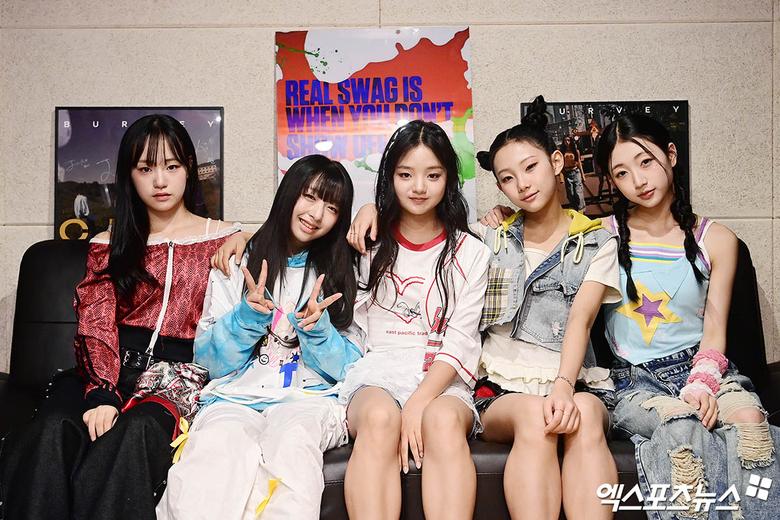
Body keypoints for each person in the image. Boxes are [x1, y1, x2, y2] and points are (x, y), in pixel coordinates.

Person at [0, 114, 240, 520]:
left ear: (188, 169)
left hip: (178, 377)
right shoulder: (108, 244)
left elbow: (281, 250)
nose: (160, 181)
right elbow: (96, 322)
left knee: (134, 434)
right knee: (52, 431)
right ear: (130, 175)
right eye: (145, 169)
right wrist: (102, 393)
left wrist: (247, 238)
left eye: (171, 166)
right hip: (106, 367)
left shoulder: (224, 237)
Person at [596, 113, 780, 518]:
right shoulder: (600, 235)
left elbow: (715, 329)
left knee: (750, 422)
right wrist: (501, 216)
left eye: (646, 162)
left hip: (704, 370)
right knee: (682, 428)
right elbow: (539, 232)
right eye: (622, 173)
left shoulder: (716, 239)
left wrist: (702, 384)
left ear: (671, 155)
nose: (638, 180)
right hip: (635, 382)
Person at [156, 154, 359, 520]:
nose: (316, 214)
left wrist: (319, 331)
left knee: (293, 450)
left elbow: (350, 370)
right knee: (214, 452)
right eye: (309, 197)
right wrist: (246, 318)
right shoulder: (236, 261)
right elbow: (209, 363)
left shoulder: (343, 271)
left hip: (309, 399)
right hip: (235, 397)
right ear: (289, 193)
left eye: (331, 208)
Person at [467, 95, 619, 519]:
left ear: (555, 162)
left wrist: (564, 388)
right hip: (500, 387)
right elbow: (424, 227)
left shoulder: (596, 242)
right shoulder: (491, 236)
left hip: (573, 379)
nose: (523, 184)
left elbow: (581, 321)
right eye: (508, 178)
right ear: (501, 188)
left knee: (585, 415)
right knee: (536, 417)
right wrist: (370, 211)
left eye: (530, 167)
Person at [342, 120, 490, 519]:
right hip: (378, 371)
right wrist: (367, 209)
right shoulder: (367, 241)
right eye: (406, 175)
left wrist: (418, 403)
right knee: (379, 417)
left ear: (449, 180)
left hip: (442, 377)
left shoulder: (471, 252)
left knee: (441, 421)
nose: (419, 187)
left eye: (433, 175)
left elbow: (461, 339)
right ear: (390, 178)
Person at [560, 134, 586, 211]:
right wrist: (561, 176)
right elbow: (561, 164)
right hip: (567, 173)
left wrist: (583, 175)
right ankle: (574, 208)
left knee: (578, 192)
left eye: (568, 140)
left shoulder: (575, 151)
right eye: (565, 140)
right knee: (570, 193)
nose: (567, 142)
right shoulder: (562, 152)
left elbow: (579, 163)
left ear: (571, 141)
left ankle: (581, 209)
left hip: (575, 172)